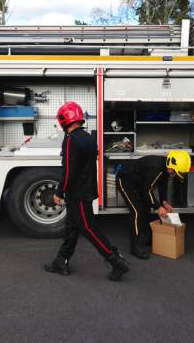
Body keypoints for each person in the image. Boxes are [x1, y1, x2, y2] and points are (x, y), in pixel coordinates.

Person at [44, 101, 130, 281]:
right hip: (86, 190)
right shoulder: (88, 137)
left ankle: (116, 261)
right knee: (71, 227)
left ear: (64, 119)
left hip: (78, 194)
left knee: (89, 229)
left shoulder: (71, 140)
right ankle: (61, 260)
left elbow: (69, 171)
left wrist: (59, 192)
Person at [116, 151, 191, 259]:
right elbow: (147, 190)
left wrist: (164, 201)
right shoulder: (157, 168)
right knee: (137, 211)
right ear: (171, 165)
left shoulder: (166, 168)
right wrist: (158, 207)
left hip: (139, 183)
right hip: (125, 181)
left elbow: (162, 184)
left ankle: (147, 237)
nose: (174, 174)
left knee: (147, 208)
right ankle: (134, 246)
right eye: (175, 172)